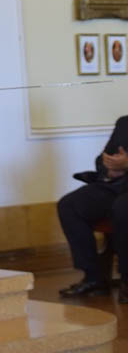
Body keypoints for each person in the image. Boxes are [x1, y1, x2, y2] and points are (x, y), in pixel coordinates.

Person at [57, 116, 128, 303]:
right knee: (70, 205)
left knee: (122, 208)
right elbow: (102, 158)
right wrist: (108, 168)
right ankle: (94, 277)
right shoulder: (125, 123)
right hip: (117, 186)